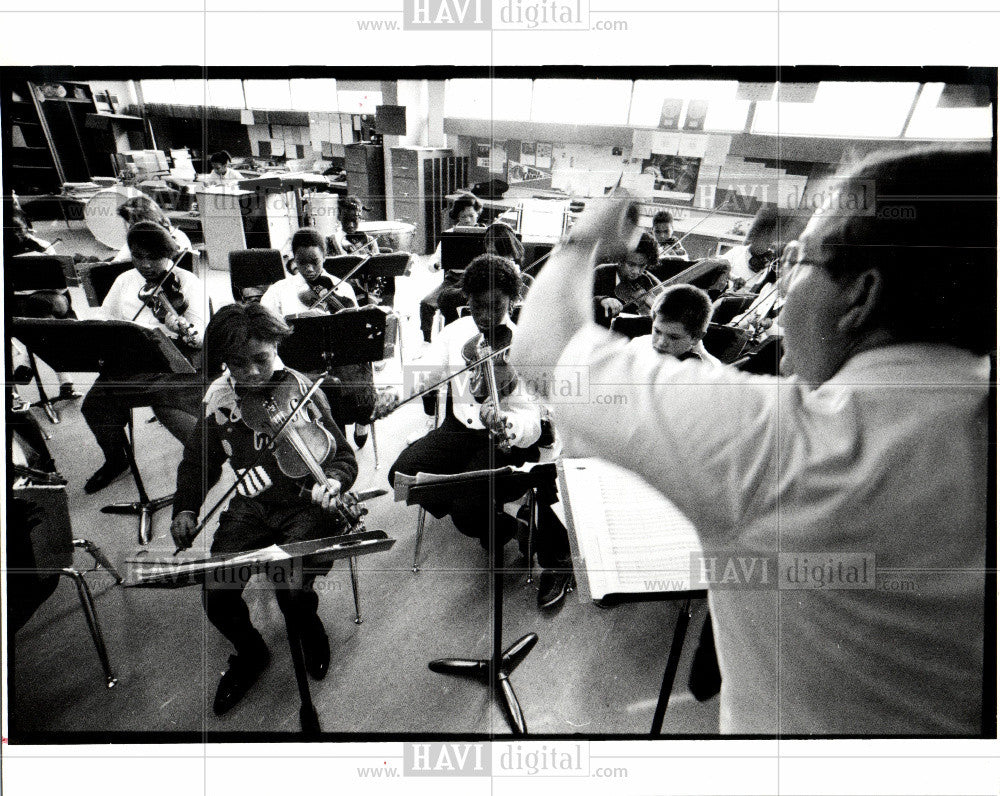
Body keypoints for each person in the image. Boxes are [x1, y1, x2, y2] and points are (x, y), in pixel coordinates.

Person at [512, 146, 992, 734]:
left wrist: (584, 237)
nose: (783, 288)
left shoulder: (786, 444)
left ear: (860, 296)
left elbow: (543, 354)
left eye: (799, 260)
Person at [170, 303, 358, 716]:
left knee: (292, 588)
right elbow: (199, 462)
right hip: (252, 504)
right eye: (238, 363)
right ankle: (251, 653)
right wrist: (185, 508)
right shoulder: (220, 400)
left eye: (261, 359)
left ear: (276, 346)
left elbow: (343, 457)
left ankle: (306, 624)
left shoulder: (302, 390)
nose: (252, 374)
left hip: (304, 503)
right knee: (216, 593)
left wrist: (334, 483)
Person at [389, 253, 574, 608]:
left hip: (504, 443)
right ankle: (500, 527)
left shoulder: (526, 349)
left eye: (496, 306)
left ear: (513, 300)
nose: (486, 317)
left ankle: (496, 524)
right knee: (403, 476)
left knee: (465, 509)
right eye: (478, 306)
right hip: (459, 429)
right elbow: (424, 372)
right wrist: (393, 394)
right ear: (467, 300)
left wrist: (509, 424)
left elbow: (533, 421)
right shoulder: (455, 332)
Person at [80, 222, 206, 493]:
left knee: (167, 405)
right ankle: (117, 460)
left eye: (154, 256)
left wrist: (184, 330)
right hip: (132, 358)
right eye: (138, 256)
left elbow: (200, 336)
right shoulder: (125, 280)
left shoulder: (187, 282)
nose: (146, 264)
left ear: (169, 254)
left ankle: (201, 464)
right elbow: (104, 317)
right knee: (94, 405)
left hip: (177, 360)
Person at [261, 227, 382, 443]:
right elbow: (264, 326)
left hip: (340, 359)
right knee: (326, 391)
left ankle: (362, 420)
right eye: (301, 262)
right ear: (293, 259)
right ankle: (334, 441)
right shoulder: (279, 290)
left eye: (314, 262)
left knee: (360, 385)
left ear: (324, 257)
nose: (308, 269)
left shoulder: (341, 287)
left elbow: (357, 331)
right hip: (302, 362)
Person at [419, 192, 483, 344]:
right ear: (457, 217)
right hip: (452, 280)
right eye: (463, 217)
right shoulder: (449, 235)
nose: (467, 220)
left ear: (477, 215)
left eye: (471, 216)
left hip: (476, 282)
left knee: (459, 304)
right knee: (426, 304)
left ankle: (464, 340)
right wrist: (435, 264)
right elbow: (433, 261)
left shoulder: (485, 235)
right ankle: (427, 342)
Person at [628, 284, 721, 365]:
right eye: (657, 331)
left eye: (673, 337)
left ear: (696, 337)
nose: (661, 343)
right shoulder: (637, 345)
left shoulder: (706, 371)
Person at [592, 231, 659, 326]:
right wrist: (601, 300)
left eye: (642, 266)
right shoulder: (601, 272)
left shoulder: (647, 281)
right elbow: (581, 301)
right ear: (620, 260)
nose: (636, 271)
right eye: (631, 265)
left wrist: (654, 305)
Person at [112, 195, 192, 262]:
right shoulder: (179, 235)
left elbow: (116, 265)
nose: (128, 228)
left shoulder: (140, 242)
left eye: (130, 225)